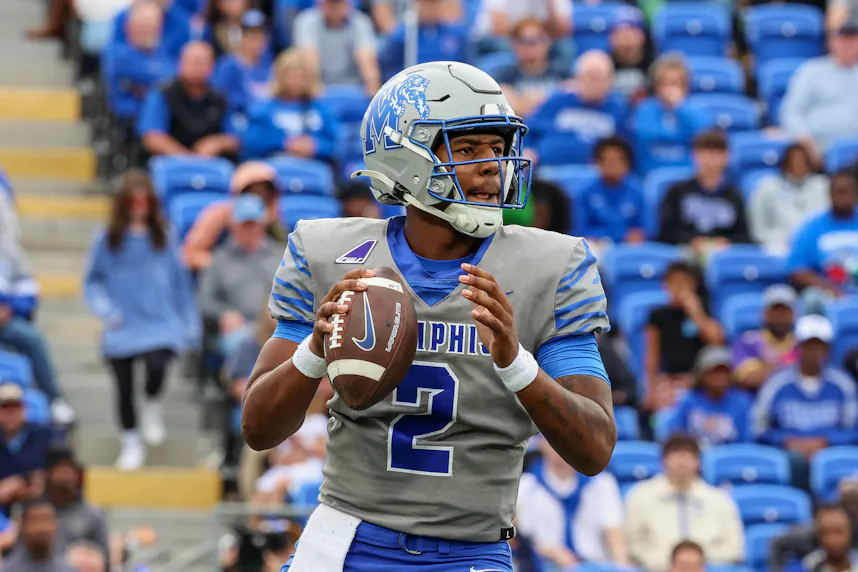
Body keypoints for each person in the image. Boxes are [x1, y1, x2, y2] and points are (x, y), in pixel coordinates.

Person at [242, 61, 617, 571]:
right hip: (346, 541)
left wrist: (516, 363)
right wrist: (314, 350)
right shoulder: (330, 254)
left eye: (498, 148)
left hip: (474, 549)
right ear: (405, 158)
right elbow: (258, 429)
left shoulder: (551, 267)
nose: (492, 165)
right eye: (466, 149)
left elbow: (594, 449)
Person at [83, 170, 200, 472]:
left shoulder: (166, 235)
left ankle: (151, 404)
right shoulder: (107, 239)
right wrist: (107, 311)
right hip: (123, 323)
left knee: (157, 364)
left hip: (160, 321)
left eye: (144, 200)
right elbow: (92, 280)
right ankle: (130, 440)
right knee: (122, 384)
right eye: (133, 201)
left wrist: (188, 323)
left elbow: (180, 283)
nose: (139, 206)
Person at [754, 314, 858, 490]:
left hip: (830, 450)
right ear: (799, 347)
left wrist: (826, 441)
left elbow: (853, 429)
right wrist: (787, 441)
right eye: (809, 345)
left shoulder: (843, 384)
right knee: (793, 462)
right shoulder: (777, 383)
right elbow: (759, 428)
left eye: (820, 346)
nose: (814, 351)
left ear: (828, 349)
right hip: (789, 453)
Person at [624, 434, 745, 572]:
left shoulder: (719, 499)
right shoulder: (640, 496)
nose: (682, 461)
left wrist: (697, 564)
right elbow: (632, 544)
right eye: (676, 454)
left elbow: (734, 547)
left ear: (698, 462)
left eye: (688, 455)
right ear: (664, 460)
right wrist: (668, 564)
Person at [516, 437, 628, 567]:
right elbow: (520, 539)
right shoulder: (526, 486)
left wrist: (621, 567)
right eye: (554, 440)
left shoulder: (601, 484)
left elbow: (613, 534)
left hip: (594, 565)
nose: (562, 448)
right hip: (546, 566)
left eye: (569, 439)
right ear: (542, 444)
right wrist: (551, 551)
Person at [197, 193, 284, 360]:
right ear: (233, 226)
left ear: (263, 224)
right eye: (244, 224)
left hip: (277, 325)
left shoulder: (281, 255)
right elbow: (204, 300)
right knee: (241, 343)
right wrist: (224, 314)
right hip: (239, 327)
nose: (250, 230)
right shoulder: (219, 259)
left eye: (253, 224)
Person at [0, 244, 75, 424]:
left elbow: (30, 293)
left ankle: (54, 399)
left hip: (6, 322)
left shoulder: (10, 254)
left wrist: (8, 308)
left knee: (33, 339)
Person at [137, 41, 239, 162]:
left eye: (201, 62)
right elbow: (152, 137)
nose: (196, 66)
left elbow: (235, 140)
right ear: (180, 63)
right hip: (168, 163)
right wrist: (188, 159)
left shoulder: (219, 98)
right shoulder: (163, 93)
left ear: (211, 66)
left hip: (210, 165)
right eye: (191, 61)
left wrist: (217, 143)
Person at [526, 50, 629, 166]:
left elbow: (625, 147)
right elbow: (527, 130)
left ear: (610, 81)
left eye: (600, 78)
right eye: (590, 77)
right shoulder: (557, 101)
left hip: (595, 174)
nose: (594, 84)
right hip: (549, 170)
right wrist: (529, 151)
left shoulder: (617, 108)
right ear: (577, 78)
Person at [647, 261, 724, 412]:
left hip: (701, 382)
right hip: (671, 380)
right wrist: (651, 391)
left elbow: (717, 342)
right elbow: (652, 357)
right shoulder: (658, 315)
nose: (679, 287)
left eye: (684, 282)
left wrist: (695, 313)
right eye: (674, 282)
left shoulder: (705, 311)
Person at [182, 161, 286, 271]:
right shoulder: (218, 216)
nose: (257, 199)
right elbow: (190, 255)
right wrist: (228, 266)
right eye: (251, 192)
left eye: (265, 194)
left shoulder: (274, 222)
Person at [657, 129, 751, 251]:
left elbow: (745, 236)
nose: (711, 160)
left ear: (727, 157)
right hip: (685, 254)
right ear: (695, 155)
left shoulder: (734, 196)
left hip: (722, 254)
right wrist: (691, 241)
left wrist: (726, 242)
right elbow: (666, 232)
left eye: (717, 153)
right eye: (706, 152)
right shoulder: (677, 192)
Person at [241, 48, 339, 162]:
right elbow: (251, 144)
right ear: (280, 77)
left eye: (301, 77)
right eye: (292, 76)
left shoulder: (322, 109)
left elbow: (337, 145)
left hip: (315, 164)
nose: (296, 82)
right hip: (274, 164)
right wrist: (284, 143)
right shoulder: (263, 109)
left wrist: (316, 146)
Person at [780, 22, 858, 155]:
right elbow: (792, 112)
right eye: (844, 40)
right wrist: (805, 140)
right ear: (832, 42)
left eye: (853, 41)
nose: (848, 46)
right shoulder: (812, 71)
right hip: (817, 146)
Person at [787, 169, 858, 303]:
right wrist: (829, 289)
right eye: (840, 192)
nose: (844, 198)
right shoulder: (812, 227)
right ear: (830, 194)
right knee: (813, 298)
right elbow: (796, 269)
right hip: (828, 293)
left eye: (849, 192)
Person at [748, 142, 830, 256]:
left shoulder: (823, 186)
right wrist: (777, 240)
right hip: (778, 245)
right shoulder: (767, 188)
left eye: (802, 160)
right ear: (785, 163)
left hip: (816, 243)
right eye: (794, 160)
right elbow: (759, 230)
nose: (798, 164)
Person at [661, 345, 753, 446]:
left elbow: (745, 443)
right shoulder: (688, 401)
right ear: (702, 374)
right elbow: (677, 436)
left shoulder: (741, 403)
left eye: (724, 372)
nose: (720, 377)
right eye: (715, 372)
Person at [634, 55, 710, 175]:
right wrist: (679, 135)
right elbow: (645, 136)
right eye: (666, 83)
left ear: (686, 87)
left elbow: (702, 139)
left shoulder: (697, 110)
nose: (670, 90)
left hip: (688, 177)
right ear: (657, 86)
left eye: (675, 84)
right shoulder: (645, 109)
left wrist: (679, 107)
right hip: (653, 173)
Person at [292, 0, 380, 94]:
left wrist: (372, 87)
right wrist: (314, 89)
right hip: (319, 87)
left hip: (354, 86)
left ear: (348, 4)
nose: (335, 8)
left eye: (339, 3)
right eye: (330, 3)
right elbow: (308, 58)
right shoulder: (306, 21)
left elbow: (366, 59)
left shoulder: (361, 22)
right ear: (320, 4)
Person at [493, 19, 570, 119]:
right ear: (514, 45)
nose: (529, 47)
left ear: (547, 42)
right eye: (523, 41)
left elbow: (567, 106)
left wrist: (524, 102)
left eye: (535, 41)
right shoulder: (503, 76)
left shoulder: (563, 74)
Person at [731, 284, 799, 393]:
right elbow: (749, 379)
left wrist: (767, 366)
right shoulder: (748, 342)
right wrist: (790, 366)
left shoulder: (803, 344)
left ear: (793, 314)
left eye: (785, 311)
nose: (780, 316)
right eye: (775, 310)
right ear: (765, 313)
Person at [45, 451, 109, 563]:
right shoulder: (36, 513)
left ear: (78, 477)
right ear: (49, 475)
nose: (63, 476)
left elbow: (103, 557)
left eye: (67, 472)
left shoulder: (94, 515)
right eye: (59, 471)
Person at [580, 136, 645, 245]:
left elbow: (644, 228)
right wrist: (613, 236)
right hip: (596, 246)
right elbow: (579, 229)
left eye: (618, 160)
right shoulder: (585, 193)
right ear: (598, 163)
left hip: (629, 246)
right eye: (608, 160)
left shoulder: (638, 192)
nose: (613, 165)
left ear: (628, 164)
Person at [379, 0, 469, 79]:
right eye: (425, 3)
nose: (429, 8)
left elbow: (466, 66)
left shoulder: (457, 34)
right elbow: (387, 67)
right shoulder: (403, 35)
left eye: (433, 3)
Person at [0, 383, 51, 514]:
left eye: (16, 407)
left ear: (24, 410)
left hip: (37, 502)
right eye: (5, 408)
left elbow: (54, 467)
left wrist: (27, 482)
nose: (11, 414)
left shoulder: (43, 435)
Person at [210, 9, 272, 117]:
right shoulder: (228, 66)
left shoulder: (270, 68)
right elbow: (218, 99)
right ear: (243, 37)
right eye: (251, 35)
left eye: (260, 35)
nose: (256, 41)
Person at [0, 499, 76, 572]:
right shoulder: (8, 569)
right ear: (22, 526)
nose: (41, 529)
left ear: (56, 525)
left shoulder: (68, 569)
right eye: (34, 521)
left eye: (46, 521)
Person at [785, 504, 858, 572]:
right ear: (818, 536)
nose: (833, 540)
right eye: (826, 533)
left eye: (839, 532)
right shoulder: (805, 566)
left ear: (850, 532)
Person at [610, 6, 652, 103]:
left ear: (642, 36)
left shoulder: (653, 65)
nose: (626, 35)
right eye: (621, 30)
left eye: (631, 29)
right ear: (612, 37)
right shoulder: (604, 65)